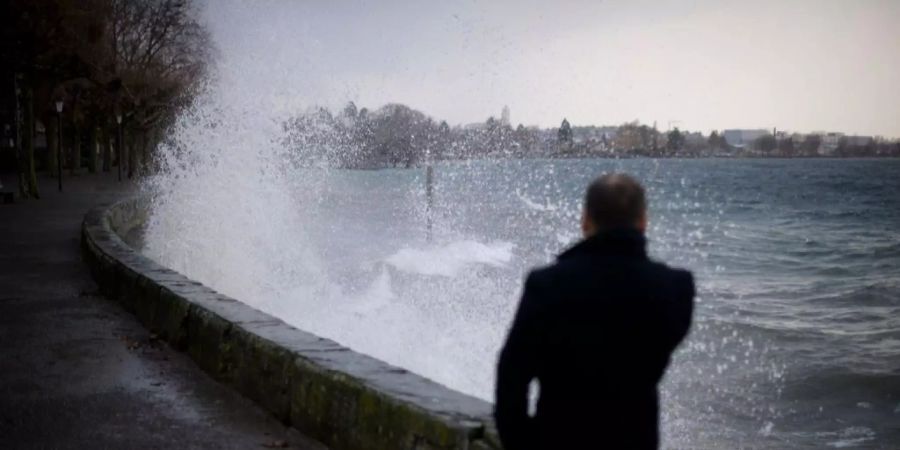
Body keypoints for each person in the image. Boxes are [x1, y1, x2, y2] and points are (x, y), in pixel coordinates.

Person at [494, 173, 694, 449]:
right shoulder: (675, 288)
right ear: (643, 222)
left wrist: (523, 444)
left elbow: (511, 378)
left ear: (585, 220)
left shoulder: (548, 284)